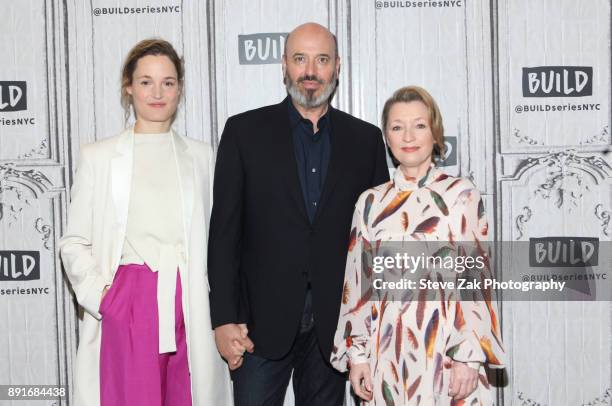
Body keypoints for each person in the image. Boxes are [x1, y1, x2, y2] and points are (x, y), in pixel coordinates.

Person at [208, 22, 390, 406]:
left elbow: (375, 247)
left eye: (322, 59)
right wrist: (223, 318)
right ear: (284, 66)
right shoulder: (244, 132)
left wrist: (370, 329)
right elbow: (224, 234)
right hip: (257, 327)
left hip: (334, 329)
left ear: (337, 67)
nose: (310, 71)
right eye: (300, 59)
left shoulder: (366, 140)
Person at [59, 38, 232, 406]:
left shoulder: (202, 157)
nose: (157, 93)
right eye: (146, 82)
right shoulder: (100, 157)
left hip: (190, 303)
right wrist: (104, 299)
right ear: (128, 87)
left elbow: (220, 239)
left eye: (168, 82)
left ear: (180, 89)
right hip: (128, 302)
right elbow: (73, 241)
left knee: (189, 396)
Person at [330, 86, 506, 404]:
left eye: (419, 125)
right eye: (398, 127)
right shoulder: (370, 202)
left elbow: (477, 282)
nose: (408, 136)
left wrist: (469, 356)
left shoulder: (461, 196)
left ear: (435, 132)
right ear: (387, 137)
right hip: (387, 359)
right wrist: (357, 355)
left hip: (449, 358)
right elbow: (356, 286)